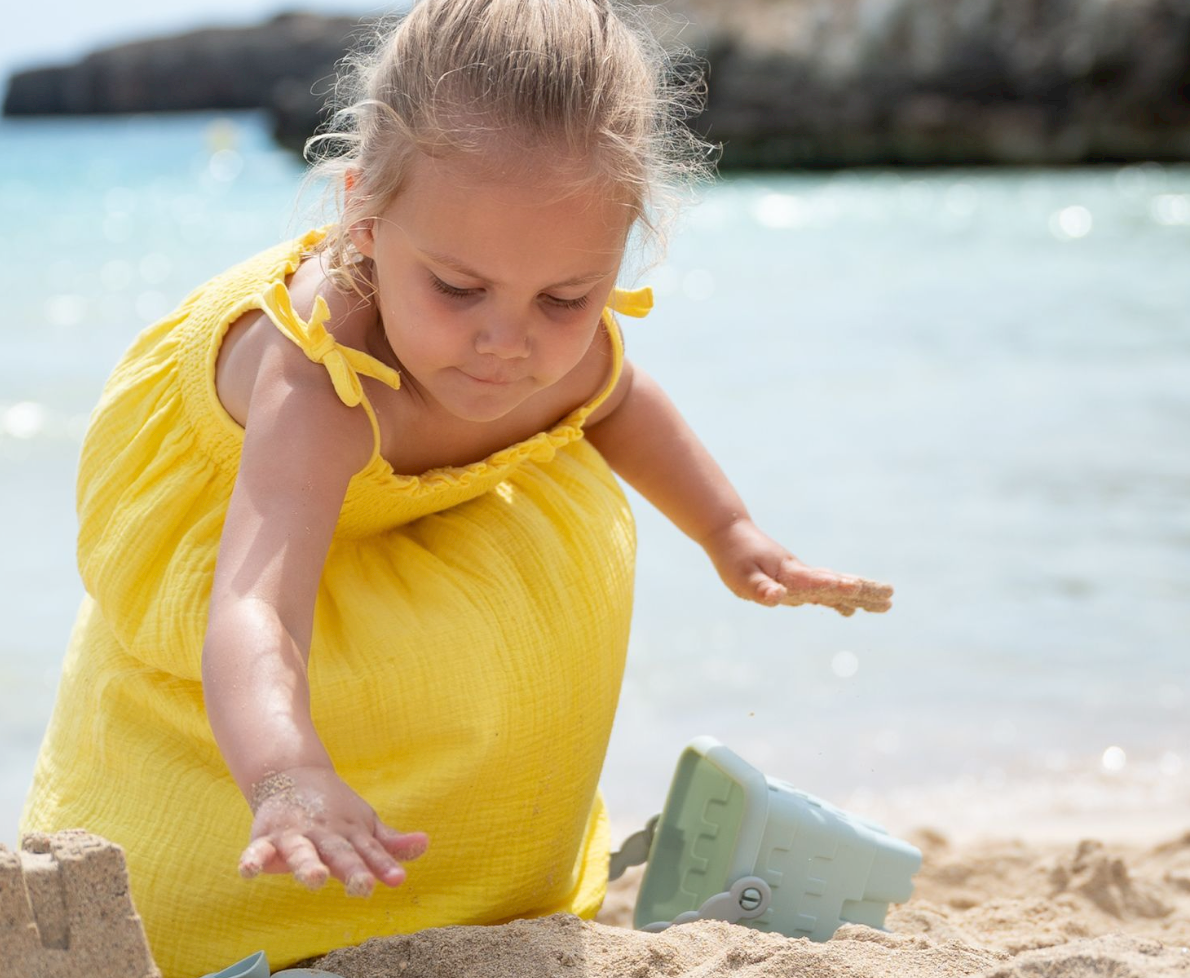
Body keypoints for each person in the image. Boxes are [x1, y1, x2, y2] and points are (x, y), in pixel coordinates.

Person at [21, 0, 892, 975]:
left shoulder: (545, 329)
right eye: (456, 289)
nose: (505, 341)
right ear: (364, 213)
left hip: (439, 523)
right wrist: (286, 773)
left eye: (566, 297)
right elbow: (254, 608)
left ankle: (479, 886)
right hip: (272, 539)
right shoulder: (319, 377)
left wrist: (732, 534)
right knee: (224, 824)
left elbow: (618, 396)